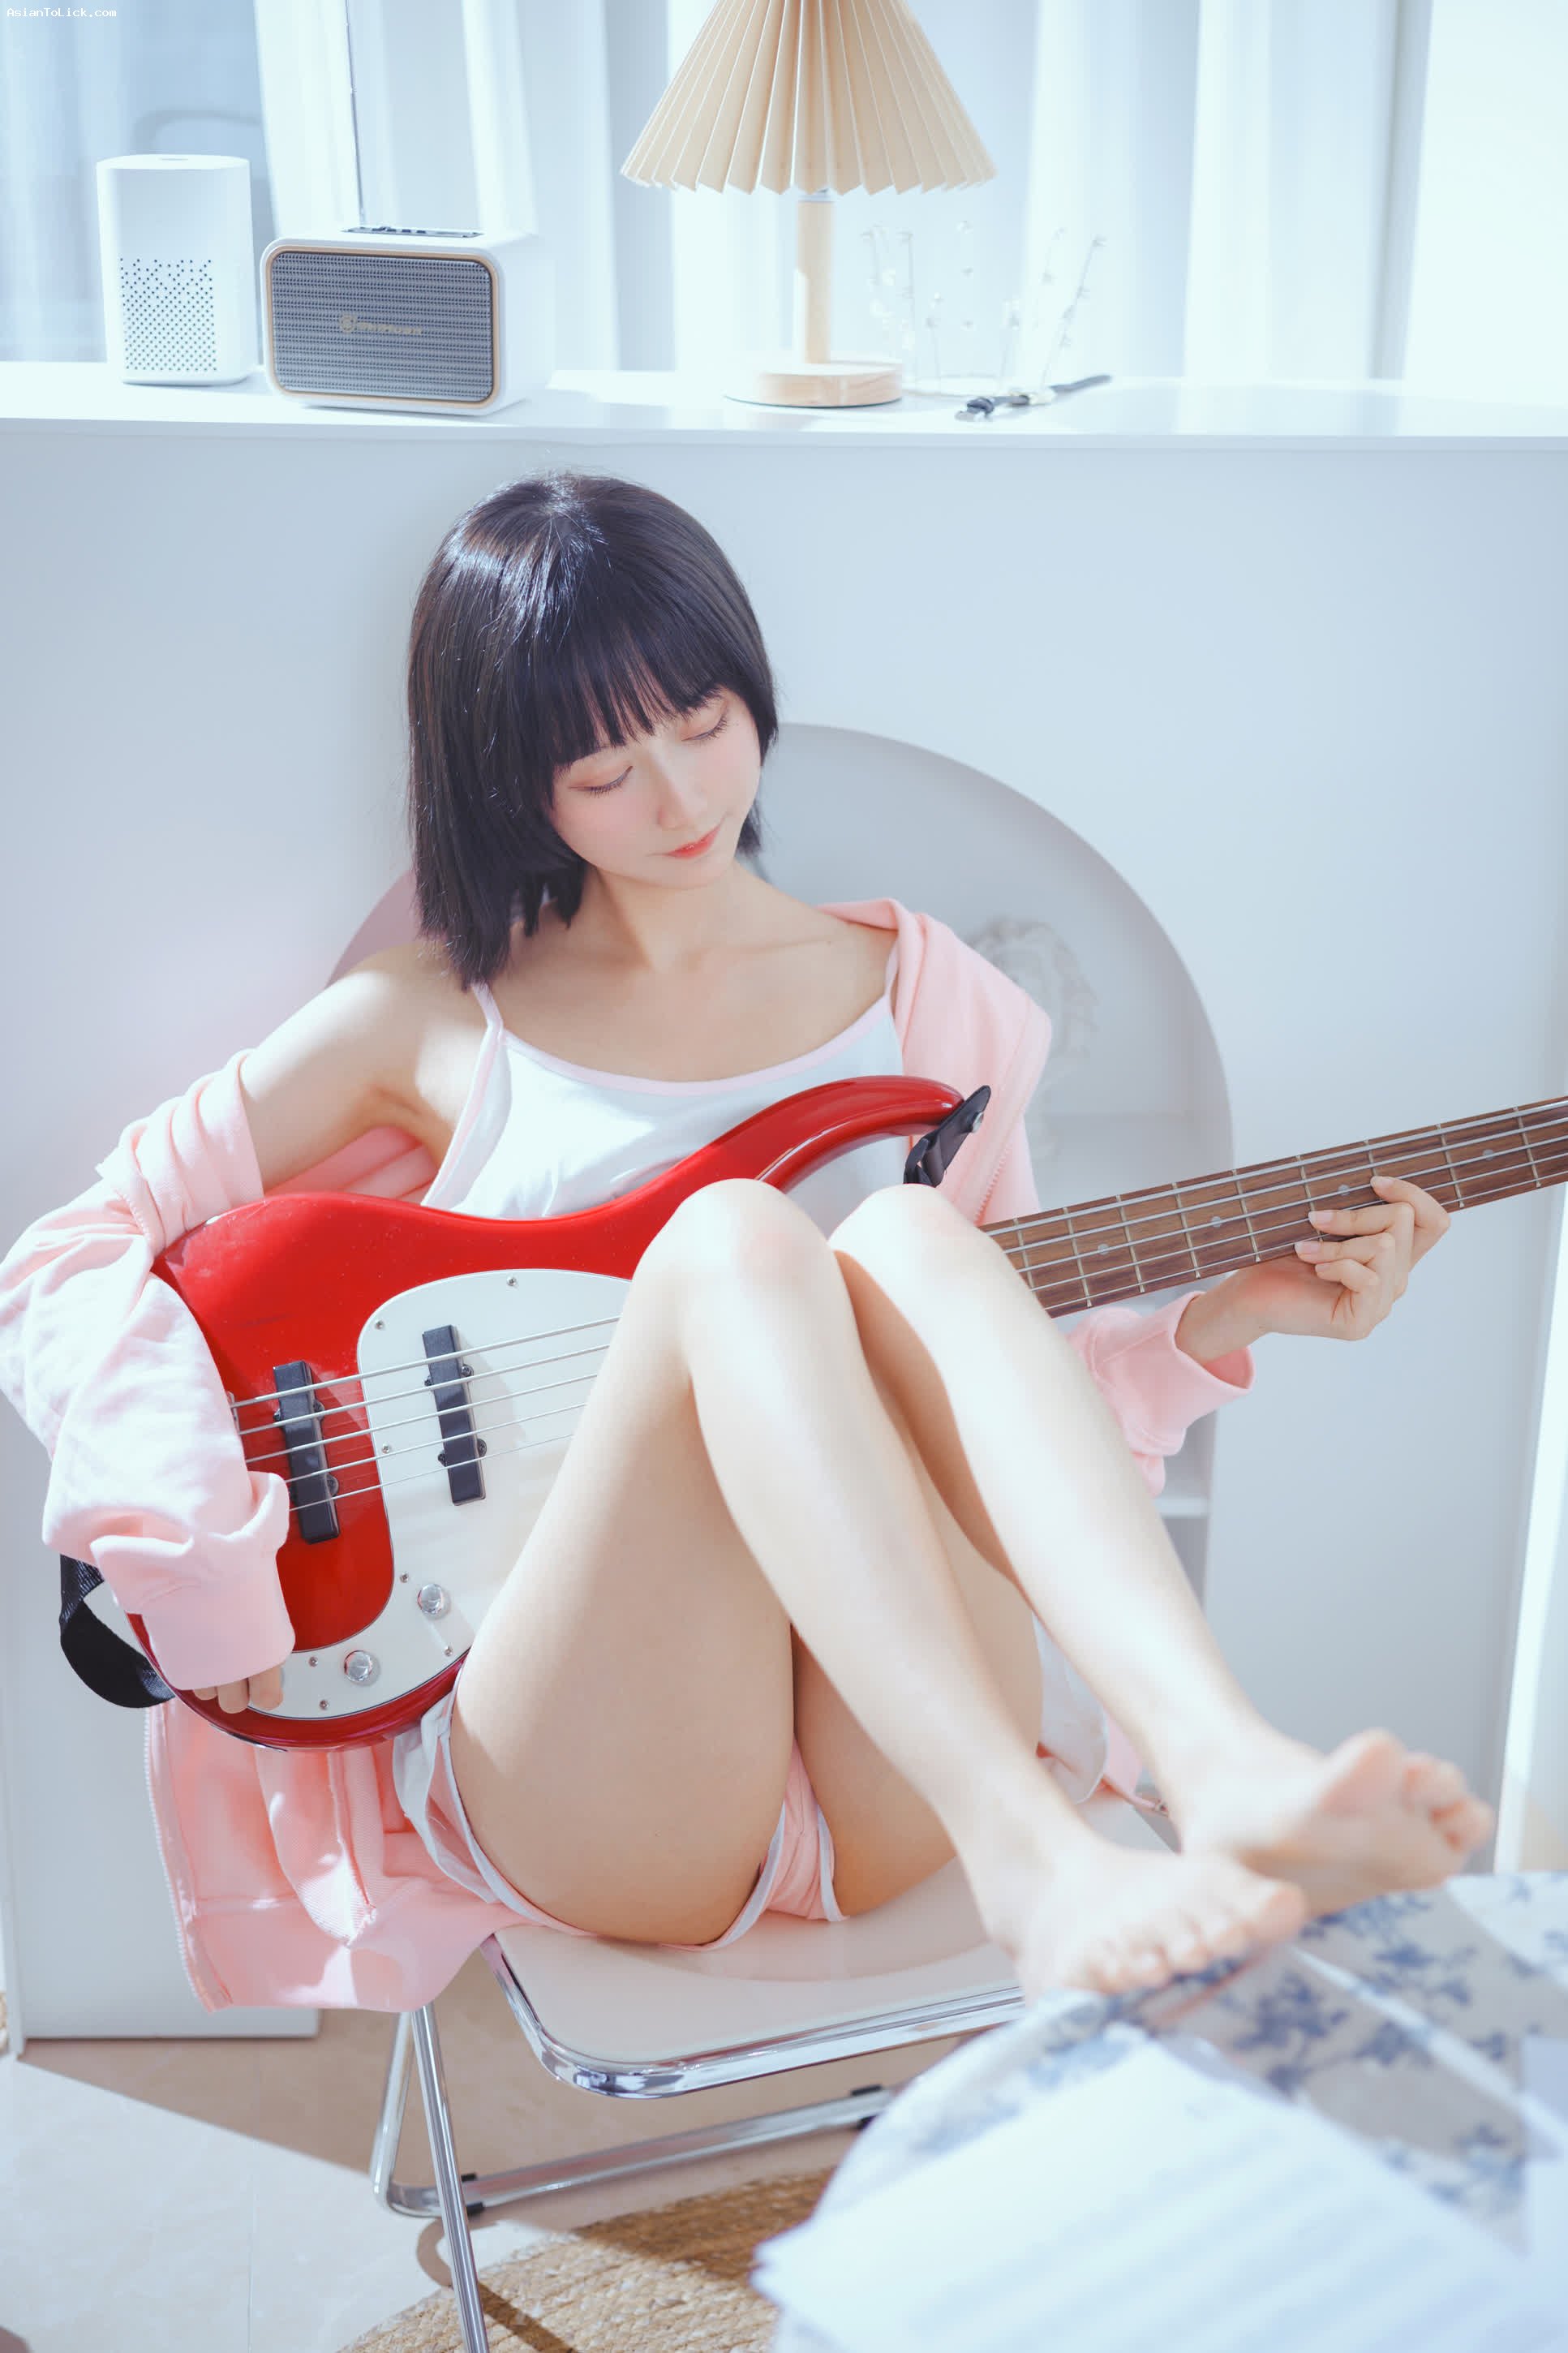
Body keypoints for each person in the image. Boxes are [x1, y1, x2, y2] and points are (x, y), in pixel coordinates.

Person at [0, 470, 1491, 2015]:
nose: (679, 799)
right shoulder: (429, 1020)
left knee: (907, 1240)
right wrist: (197, 1542)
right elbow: (61, 1260)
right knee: (736, 1242)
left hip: (896, 1765)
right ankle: (1032, 1861)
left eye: (704, 722)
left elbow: (991, 1402)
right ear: (514, 781)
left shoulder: (938, 1003)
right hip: (601, 1772)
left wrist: (1219, 1326)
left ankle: (1218, 1762)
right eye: (604, 768)